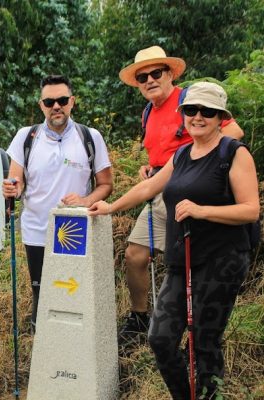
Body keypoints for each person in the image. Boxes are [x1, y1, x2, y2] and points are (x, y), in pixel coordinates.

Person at [89, 82, 259, 399]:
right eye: (192, 110)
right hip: (183, 260)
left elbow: (250, 210)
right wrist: (110, 207)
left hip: (222, 260)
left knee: (204, 342)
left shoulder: (233, 154)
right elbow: (148, 188)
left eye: (207, 111)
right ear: (183, 114)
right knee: (161, 338)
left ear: (220, 117)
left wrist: (202, 210)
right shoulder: (182, 154)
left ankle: (209, 394)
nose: (198, 116)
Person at [117, 46, 244, 345]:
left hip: (193, 189)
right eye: (142, 77)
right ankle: (139, 318)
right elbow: (156, 153)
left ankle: (200, 327)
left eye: (156, 73)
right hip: (161, 188)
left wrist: (196, 160)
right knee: (135, 255)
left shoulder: (190, 101)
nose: (149, 80)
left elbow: (234, 131)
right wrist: (149, 167)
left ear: (171, 74)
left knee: (188, 261)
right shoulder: (148, 112)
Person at [2, 74, 113, 331]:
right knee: (42, 295)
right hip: (37, 232)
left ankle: (73, 349)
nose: (56, 106)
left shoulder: (90, 136)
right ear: (41, 105)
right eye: (49, 101)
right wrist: (12, 188)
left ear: (72, 101)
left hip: (74, 232)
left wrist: (85, 200)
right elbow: (15, 182)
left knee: (74, 294)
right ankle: (44, 351)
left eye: (62, 100)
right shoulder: (26, 137)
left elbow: (106, 185)